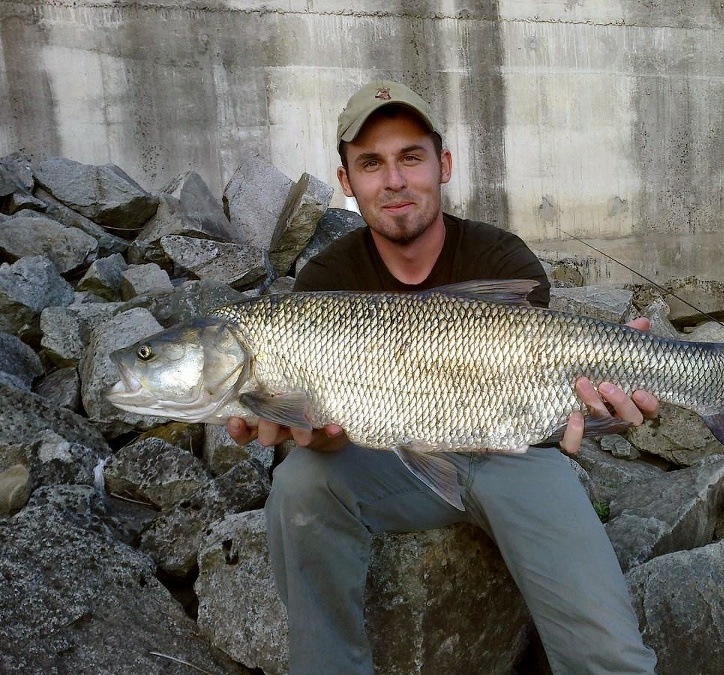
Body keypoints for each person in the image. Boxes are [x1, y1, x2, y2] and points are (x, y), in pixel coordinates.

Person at [228, 80, 659, 674]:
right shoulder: (326, 278)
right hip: (386, 461)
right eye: (372, 164)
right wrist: (313, 430)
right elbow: (321, 431)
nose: (395, 180)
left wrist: (614, 388)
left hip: (512, 454)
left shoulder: (503, 259)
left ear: (443, 164)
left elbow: (550, 394)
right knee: (300, 482)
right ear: (347, 182)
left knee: (610, 657)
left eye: (411, 157)